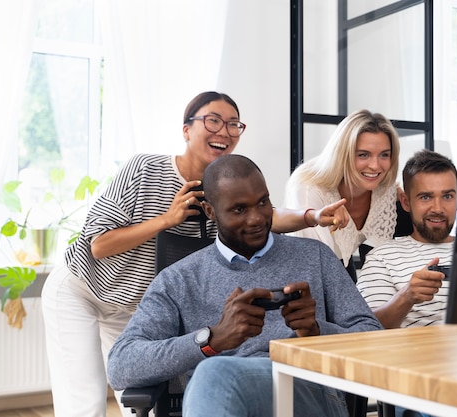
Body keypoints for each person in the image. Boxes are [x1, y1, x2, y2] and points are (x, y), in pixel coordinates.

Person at [41, 91, 348, 417]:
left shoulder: (218, 189)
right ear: (186, 130)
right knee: (84, 401)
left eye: (233, 125)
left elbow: (265, 214)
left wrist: (312, 216)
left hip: (133, 302)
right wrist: (167, 220)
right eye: (213, 120)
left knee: (131, 397)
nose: (225, 131)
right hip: (84, 288)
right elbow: (98, 244)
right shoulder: (144, 169)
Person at [107, 154, 382, 417]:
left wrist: (316, 330)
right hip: (219, 398)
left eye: (263, 203)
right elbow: (121, 365)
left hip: (308, 393)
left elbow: (374, 340)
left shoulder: (316, 256)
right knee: (215, 373)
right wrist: (210, 340)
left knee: (213, 374)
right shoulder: (178, 279)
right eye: (239, 209)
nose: (257, 218)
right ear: (210, 211)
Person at [284, 109, 401, 281]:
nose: (376, 166)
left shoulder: (385, 188)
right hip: (302, 276)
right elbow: (315, 266)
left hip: (343, 268)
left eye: (384, 155)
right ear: (342, 154)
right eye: (363, 155)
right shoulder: (308, 188)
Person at [356, 149, 457, 329]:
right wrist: (407, 296)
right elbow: (366, 328)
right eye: (425, 197)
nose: (438, 208)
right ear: (405, 201)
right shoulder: (382, 257)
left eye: (447, 196)